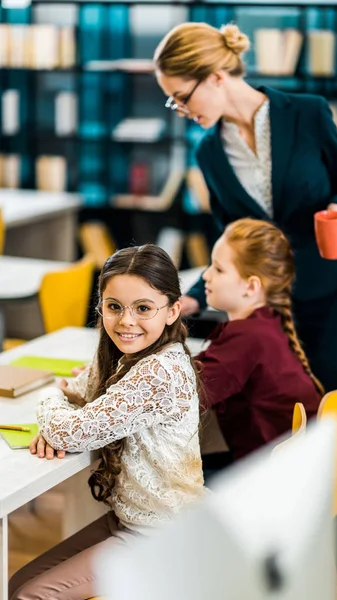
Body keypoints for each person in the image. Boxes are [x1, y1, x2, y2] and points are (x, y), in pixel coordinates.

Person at [154, 22, 337, 599]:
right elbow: (233, 237)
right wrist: (190, 297)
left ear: (217, 77)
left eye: (181, 94)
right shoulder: (208, 151)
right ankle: (279, 571)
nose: (178, 108)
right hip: (269, 307)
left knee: (332, 434)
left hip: (330, 296)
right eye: (170, 98)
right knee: (276, 436)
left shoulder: (307, 110)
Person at [9, 245, 204, 600]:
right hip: (129, 522)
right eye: (114, 307)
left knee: (30, 595)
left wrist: (49, 396)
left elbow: (67, 425)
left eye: (143, 308)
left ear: (173, 310)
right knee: (13, 585)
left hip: (161, 535)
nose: (126, 321)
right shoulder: (128, 355)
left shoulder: (159, 370)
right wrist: (62, 411)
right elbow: (81, 392)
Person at [197, 217, 322, 462]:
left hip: (268, 479)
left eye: (218, 269)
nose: (206, 275)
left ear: (251, 286)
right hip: (300, 471)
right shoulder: (267, 322)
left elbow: (182, 393)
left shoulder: (247, 338)